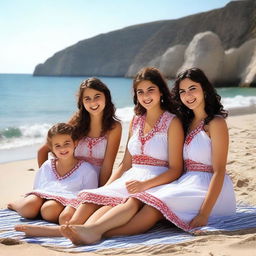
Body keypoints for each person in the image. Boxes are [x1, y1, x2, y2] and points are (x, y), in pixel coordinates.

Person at [85, 67, 236, 239]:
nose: (188, 95)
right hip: (186, 182)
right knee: (143, 199)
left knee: (153, 206)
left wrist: (204, 213)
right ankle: (93, 230)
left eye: (192, 88)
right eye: (182, 91)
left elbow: (219, 171)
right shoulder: (186, 122)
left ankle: (100, 233)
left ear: (205, 90)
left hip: (210, 189)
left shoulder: (216, 123)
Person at [57, 66, 184, 245]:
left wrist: (144, 185)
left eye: (150, 90)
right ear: (136, 96)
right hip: (132, 176)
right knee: (98, 200)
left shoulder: (172, 122)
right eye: (140, 92)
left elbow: (176, 169)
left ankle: (94, 231)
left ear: (161, 91)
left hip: (157, 179)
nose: (145, 96)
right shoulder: (136, 120)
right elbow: (125, 164)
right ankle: (76, 230)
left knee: (130, 202)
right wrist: (106, 189)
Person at [13, 78, 122, 236]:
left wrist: (99, 194)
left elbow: (107, 164)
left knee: (54, 214)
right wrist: (49, 180)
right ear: (82, 102)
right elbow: (44, 150)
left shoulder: (114, 127)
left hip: (91, 184)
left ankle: (50, 214)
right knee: (32, 208)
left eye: (97, 96)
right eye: (87, 98)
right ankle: (24, 202)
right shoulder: (77, 122)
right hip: (66, 179)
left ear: (106, 97)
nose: (93, 102)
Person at [8, 123, 98, 223]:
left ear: (75, 142)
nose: (62, 149)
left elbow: (89, 196)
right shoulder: (47, 165)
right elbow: (38, 187)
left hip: (67, 200)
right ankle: (16, 204)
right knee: (28, 207)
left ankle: (39, 212)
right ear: (51, 147)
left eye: (67, 143)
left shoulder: (86, 169)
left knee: (49, 211)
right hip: (44, 195)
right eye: (57, 145)